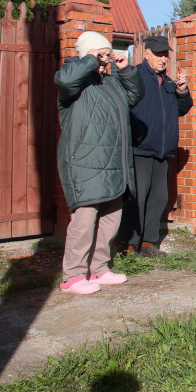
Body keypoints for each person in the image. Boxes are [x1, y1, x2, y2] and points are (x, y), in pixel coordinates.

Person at [55, 31, 144, 294]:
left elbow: (134, 96)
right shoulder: (71, 77)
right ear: (90, 54)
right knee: (84, 221)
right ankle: (72, 276)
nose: (106, 59)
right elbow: (67, 80)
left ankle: (99, 269)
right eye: (102, 53)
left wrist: (125, 69)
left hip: (113, 162)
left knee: (110, 218)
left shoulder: (109, 82)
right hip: (85, 163)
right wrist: (92, 59)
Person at [117, 35, 193, 257]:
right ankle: (129, 244)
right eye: (159, 54)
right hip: (140, 149)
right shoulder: (135, 76)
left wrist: (182, 91)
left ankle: (150, 243)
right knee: (136, 197)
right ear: (146, 54)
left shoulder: (169, 82)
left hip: (163, 150)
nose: (163, 59)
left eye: (166, 55)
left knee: (159, 197)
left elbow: (183, 108)